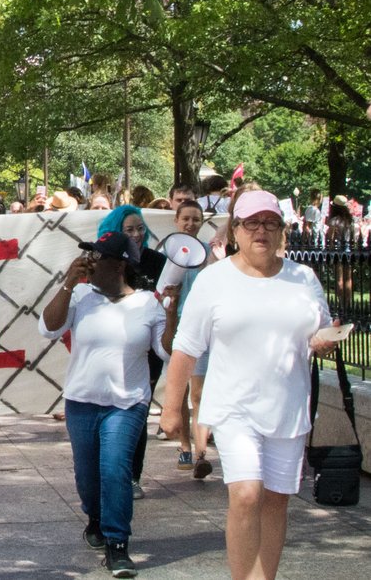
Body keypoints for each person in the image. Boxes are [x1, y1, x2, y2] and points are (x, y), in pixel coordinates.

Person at [160, 189, 338, 580]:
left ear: (281, 230)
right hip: (234, 408)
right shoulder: (214, 281)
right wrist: (173, 409)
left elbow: (317, 334)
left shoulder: (303, 278)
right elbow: (185, 349)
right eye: (252, 223)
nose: (262, 230)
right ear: (235, 229)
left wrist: (323, 341)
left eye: (270, 222)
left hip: (287, 407)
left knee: (275, 501)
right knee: (246, 495)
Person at [40, 232, 175, 578]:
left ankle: (118, 544)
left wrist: (171, 312)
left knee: (115, 470)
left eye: (98, 256)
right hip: (82, 402)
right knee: (87, 477)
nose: (90, 260)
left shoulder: (147, 303)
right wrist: (68, 284)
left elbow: (166, 350)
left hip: (127, 403)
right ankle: (96, 519)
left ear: (120, 265)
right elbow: (49, 327)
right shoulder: (82, 294)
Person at [96, 206, 166, 500]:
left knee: (137, 412)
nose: (137, 235)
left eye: (140, 229)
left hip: (147, 351)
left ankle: (133, 476)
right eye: (129, 230)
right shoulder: (103, 262)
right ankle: (106, 472)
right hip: (110, 349)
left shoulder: (159, 262)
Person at [165, 200, 214, 479]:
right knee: (179, 393)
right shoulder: (169, 250)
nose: (190, 224)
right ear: (176, 220)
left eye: (196, 219)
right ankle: (184, 445)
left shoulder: (208, 253)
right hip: (176, 326)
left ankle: (201, 453)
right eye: (185, 219)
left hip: (202, 330)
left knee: (199, 394)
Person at [325, 195, 354, 313]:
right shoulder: (350, 220)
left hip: (337, 250)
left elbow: (330, 237)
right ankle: (348, 303)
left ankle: (341, 304)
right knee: (348, 278)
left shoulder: (334, 221)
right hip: (348, 249)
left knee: (339, 278)